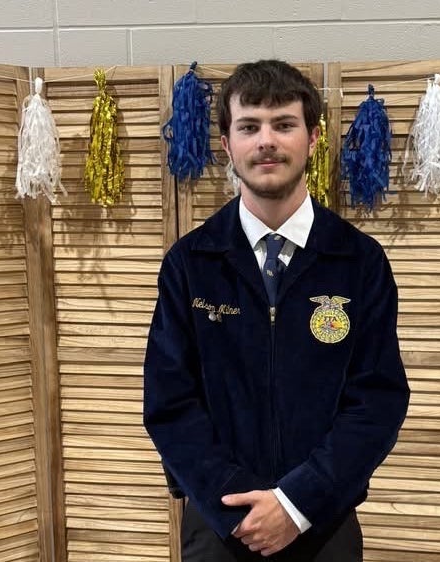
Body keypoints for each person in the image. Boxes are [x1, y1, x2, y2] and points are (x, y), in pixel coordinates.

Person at [143, 59, 410, 561]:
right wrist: (236, 507)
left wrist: (296, 502)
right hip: (221, 522)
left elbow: (377, 402)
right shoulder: (190, 263)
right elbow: (169, 403)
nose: (266, 140)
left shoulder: (359, 262)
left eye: (283, 124)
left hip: (323, 520)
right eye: (249, 126)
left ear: (312, 138)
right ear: (227, 145)